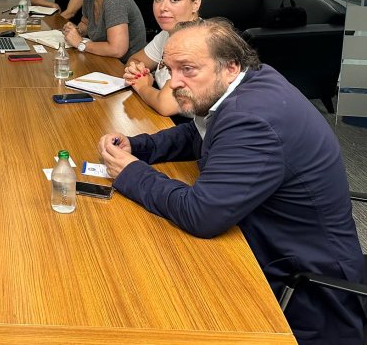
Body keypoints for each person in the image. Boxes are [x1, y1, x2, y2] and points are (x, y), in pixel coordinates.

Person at [97, 19, 364, 345]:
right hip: (264, 236)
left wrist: (131, 172)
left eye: (188, 69)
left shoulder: (253, 119)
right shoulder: (247, 82)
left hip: (305, 291)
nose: (174, 82)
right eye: (169, 69)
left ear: (230, 66)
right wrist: (140, 146)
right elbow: (201, 132)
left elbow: (202, 214)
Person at [123, 0, 202, 116]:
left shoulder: (196, 41)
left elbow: (166, 105)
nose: (163, 8)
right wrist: (138, 72)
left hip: (199, 127)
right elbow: (134, 60)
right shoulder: (167, 33)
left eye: (174, 0)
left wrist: (142, 86)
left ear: (195, 4)